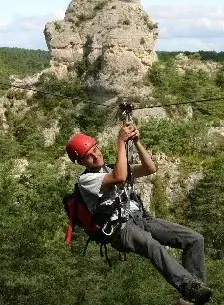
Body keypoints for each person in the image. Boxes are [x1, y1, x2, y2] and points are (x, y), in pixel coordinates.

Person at [65, 122, 213, 305]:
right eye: (89, 156)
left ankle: (192, 297)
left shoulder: (113, 167)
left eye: (96, 149)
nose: (96, 156)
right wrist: (121, 141)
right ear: (81, 162)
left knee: (195, 239)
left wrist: (136, 142)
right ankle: (189, 287)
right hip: (120, 228)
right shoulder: (86, 180)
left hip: (141, 218)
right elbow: (120, 177)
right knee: (153, 246)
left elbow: (150, 168)